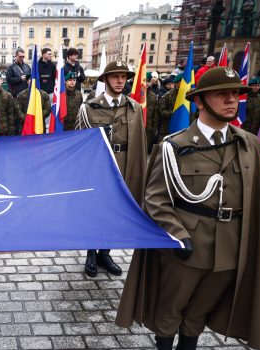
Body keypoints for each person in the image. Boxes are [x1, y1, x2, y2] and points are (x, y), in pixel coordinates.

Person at [116, 66, 260, 350]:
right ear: (200, 101)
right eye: (223, 94)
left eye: (237, 94)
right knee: (172, 306)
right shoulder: (173, 146)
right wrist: (177, 234)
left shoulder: (247, 144)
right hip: (187, 244)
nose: (232, 100)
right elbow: (155, 198)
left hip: (231, 245)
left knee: (201, 307)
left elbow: (257, 197)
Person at [76, 60, 147, 277]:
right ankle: (90, 252)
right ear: (105, 79)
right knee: (93, 209)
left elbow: (140, 143)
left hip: (124, 163)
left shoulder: (134, 108)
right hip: (97, 168)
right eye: (115, 76)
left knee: (117, 210)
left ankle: (105, 253)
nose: (120, 81)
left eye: (124, 77)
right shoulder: (89, 108)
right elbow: (80, 142)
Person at [157, 74, 185, 139]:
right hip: (168, 128)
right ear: (177, 83)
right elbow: (161, 111)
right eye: (182, 82)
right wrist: (173, 114)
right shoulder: (168, 95)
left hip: (185, 127)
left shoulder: (188, 94)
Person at [0, 71, 16, 136]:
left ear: (2, 81)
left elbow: (11, 113)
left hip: (4, 129)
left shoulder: (7, 95)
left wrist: (11, 128)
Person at [146, 72, 160, 152]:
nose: (146, 83)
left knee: (145, 149)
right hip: (135, 128)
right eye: (144, 81)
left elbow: (155, 114)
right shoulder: (133, 95)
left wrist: (154, 129)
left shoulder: (153, 96)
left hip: (148, 128)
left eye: (148, 81)